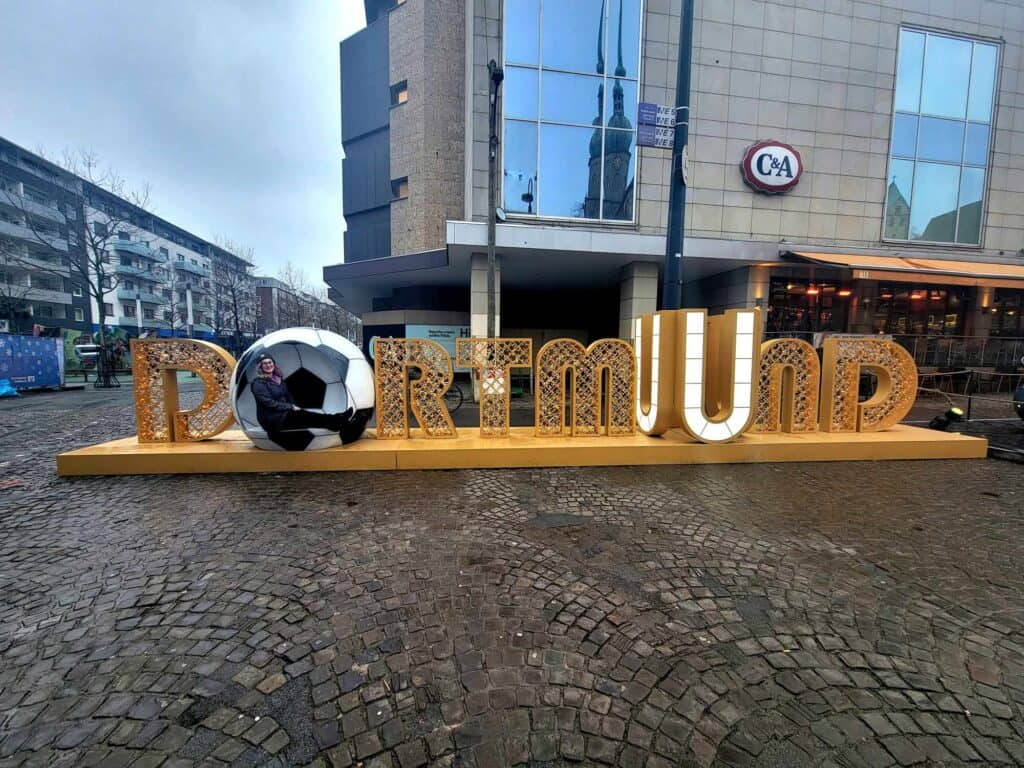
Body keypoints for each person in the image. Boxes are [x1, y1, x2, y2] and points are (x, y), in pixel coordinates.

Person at [250, 354, 354, 436]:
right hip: (272, 420)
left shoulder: (278, 379)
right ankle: (339, 420)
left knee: (306, 415)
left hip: (284, 413)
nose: (268, 365)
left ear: (274, 363)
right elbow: (269, 403)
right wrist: (290, 407)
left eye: (270, 362)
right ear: (260, 367)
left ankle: (337, 421)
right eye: (264, 363)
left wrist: (293, 406)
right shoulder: (258, 383)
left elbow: (288, 395)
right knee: (306, 417)